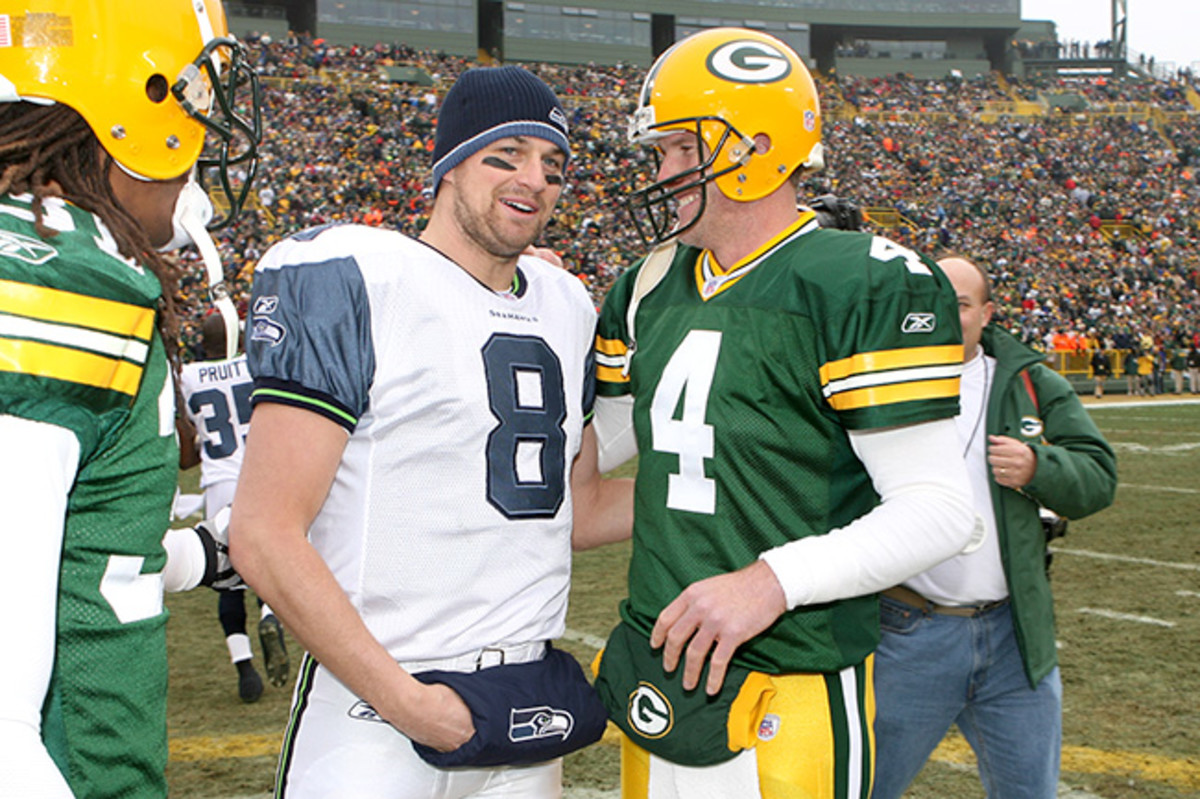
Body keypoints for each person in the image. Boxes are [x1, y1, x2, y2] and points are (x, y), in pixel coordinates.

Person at [589, 28, 977, 799]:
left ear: (755, 148)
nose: (659, 171)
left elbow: (939, 511)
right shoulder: (647, 284)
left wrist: (771, 579)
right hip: (659, 675)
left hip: (791, 677)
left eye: (674, 148)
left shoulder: (857, 280)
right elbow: (585, 477)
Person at [229, 65, 632, 798]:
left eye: (553, 164)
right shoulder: (357, 274)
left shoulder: (566, 303)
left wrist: (735, 485)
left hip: (522, 709)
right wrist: (406, 700)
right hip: (378, 705)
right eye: (504, 154)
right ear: (448, 166)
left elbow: (586, 506)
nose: (534, 178)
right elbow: (262, 531)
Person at [0, 1, 261, 795]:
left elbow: (76, 561)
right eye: (193, 108)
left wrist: (206, 556)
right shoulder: (50, 283)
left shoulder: (74, 258)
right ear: (137, 100)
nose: (200, 153)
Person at [871, 254, 1117, 799]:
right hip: (907, 632)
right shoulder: (875, 379)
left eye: (959, 303)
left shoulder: (1029, 381)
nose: (945, 313)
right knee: (866, 787)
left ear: (986, 313)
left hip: (1013, 637)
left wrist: (1038, 467)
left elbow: (1100, 475)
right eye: (934, 300)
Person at [179, 314, 288, 703]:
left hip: (220, 482)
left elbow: (186, 454)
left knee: (227, 576)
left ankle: (244, 668)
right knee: (267, 558)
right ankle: (269, 613)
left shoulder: (188, 375)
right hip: (260, 471)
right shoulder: (252, 365)